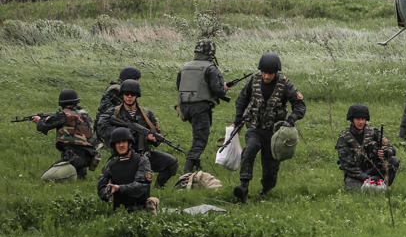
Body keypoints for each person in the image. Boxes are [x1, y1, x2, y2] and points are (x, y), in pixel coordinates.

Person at [232, 52, 306, 202]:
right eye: (264, 72)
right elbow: (242, 99)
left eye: (270, 73)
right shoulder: (254, 81)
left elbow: (299, 106)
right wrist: (238, 119)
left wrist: (290, 120)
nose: (266, 76)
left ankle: (266, 189)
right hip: (254, 128)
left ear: (276, 72)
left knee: (270, 168)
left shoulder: (285, 84)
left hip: (275, 133)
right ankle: (243, 186)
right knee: (249, 150)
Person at [96, 79, 178, 188]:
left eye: (132, 94)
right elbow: (102, 128)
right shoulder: (114, 112)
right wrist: (124, 133)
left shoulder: (147, 114)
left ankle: (159, 187)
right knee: (111, 177)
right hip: (122, 157)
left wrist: (152, 139)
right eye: (126, 94)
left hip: (144, 155)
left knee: (172, 162)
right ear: (122, 95)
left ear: (137, 96)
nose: (129, 97)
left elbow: (156, 135)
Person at [176, 38, 228, 173]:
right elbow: (218, 90)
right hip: (200, 108)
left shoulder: (185, 67)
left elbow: (179, 86)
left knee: (197, 135)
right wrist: (224, 89)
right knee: (200, 140)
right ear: (212, 52)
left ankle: (197, 166)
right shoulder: (210, 68)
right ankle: (187, 172)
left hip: (184, 107)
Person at [32, 89, 96, 181]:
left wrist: (38, 120)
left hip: (72, 157)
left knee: (47, 178)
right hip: (89, 157)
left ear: (61, 103)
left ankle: (71, 176)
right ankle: (79, 176)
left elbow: (42, 126)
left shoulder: (63, 115)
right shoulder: (85, 114)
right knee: (79, 179)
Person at [335, 104, 399, 190]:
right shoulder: (344, 137)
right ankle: (375, 183)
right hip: (356, 174)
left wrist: (385, 152)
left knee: (393, 161)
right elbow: (347, 165)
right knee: (356, 190)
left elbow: (391, 148)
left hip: (374, 169)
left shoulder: (373, 132)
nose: (361, 122)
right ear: (352, 120)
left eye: (363, 119)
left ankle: (383, 184)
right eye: (358, 119)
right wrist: (367, 178)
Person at [97, 127, 156, 213]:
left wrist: (119, 188)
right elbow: (101, 186)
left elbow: (141, 186)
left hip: (140, 208)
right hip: (118, 210)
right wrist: (107, 193)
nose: (121, 145)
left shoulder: (141, 160)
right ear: (114, 146)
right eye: (118, 143)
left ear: (129, 144)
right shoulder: (111, 164)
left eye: (124, 142)